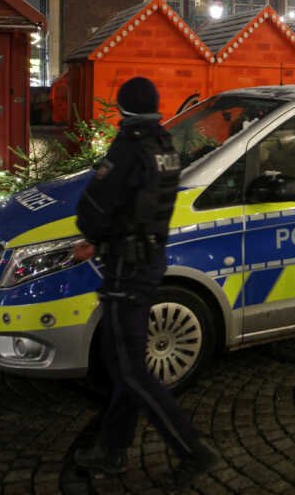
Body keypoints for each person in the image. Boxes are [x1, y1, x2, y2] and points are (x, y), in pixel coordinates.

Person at [72, 76, 219, 481]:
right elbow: (143, 211)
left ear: (122, 108)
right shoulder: (165, 146)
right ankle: (112, 450)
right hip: (149, 259)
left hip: (126, 270)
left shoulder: (128, 149)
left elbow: (93, 210)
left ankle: (192, 450)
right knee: (126, 368)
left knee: (131, 371)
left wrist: (95, 241)